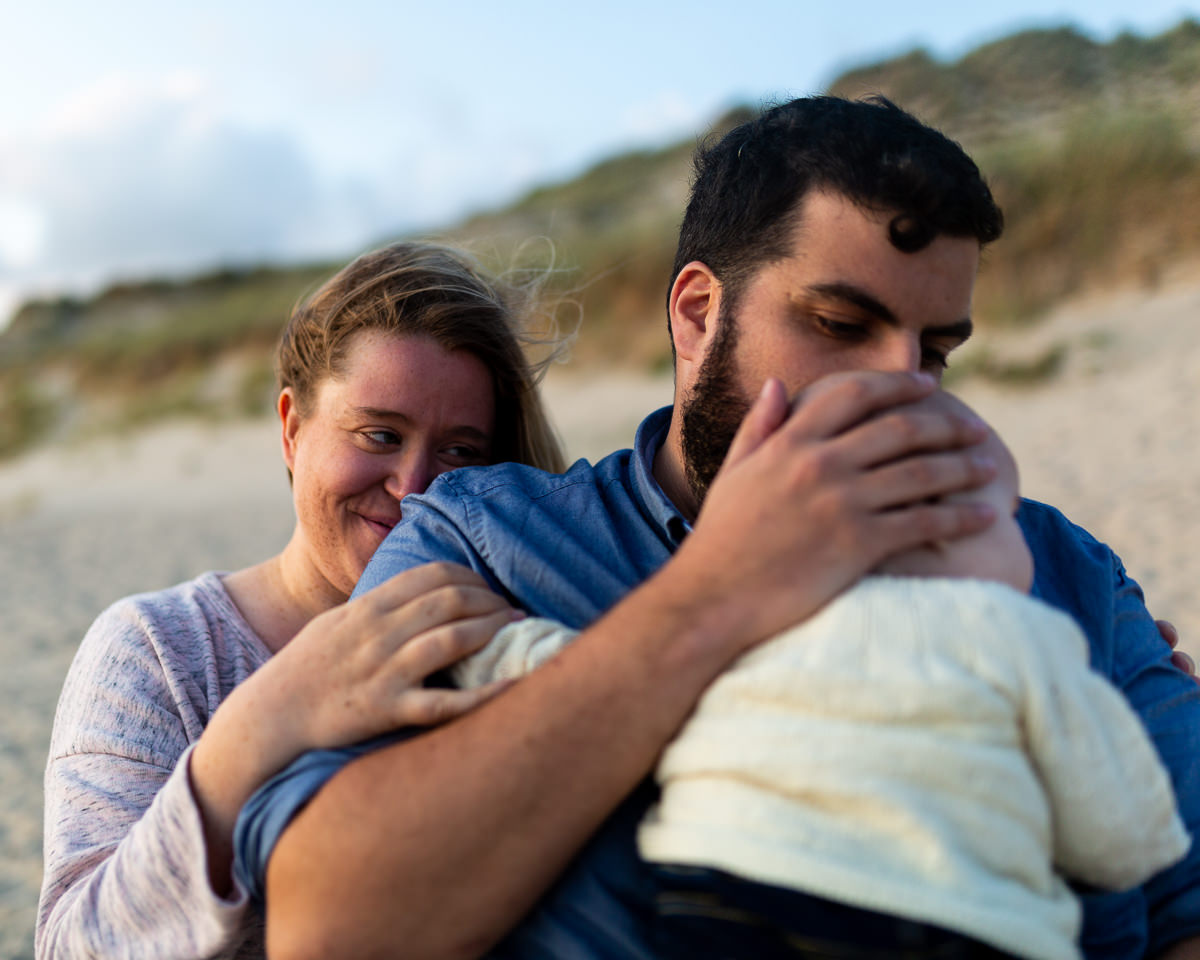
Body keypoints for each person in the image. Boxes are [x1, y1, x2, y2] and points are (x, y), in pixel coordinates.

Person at [237, 96, 1200, 960]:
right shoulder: (491, 546)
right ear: (698, 315)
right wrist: (718, 594)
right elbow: (329, 923)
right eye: (839, 324)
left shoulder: (1061, 571)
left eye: (935, 352)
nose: (899, 389)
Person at [450, 390, 1190, 960]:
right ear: (957, 532)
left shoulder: (761, 611)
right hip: (950, 924)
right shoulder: (1027, 635)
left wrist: (499, 650)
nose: (1025, 536)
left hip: (724, 892)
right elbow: (1120, 836)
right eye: (1003, 517)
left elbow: (598, 666)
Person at [36, 241, 567, 960]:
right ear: (291, 429)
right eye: (380, 434)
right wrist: (270, 716)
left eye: (459, 452)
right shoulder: (158, 650)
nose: (414, 486)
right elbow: (72, 947)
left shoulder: (515, 635)